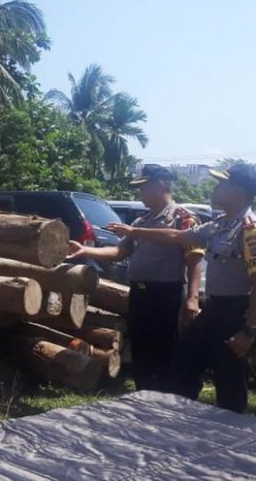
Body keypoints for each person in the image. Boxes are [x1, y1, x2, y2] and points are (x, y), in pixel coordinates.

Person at [108, 164, 256, 413]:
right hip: (213, 309)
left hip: (237, 314)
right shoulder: (219, 225)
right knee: (182, 369)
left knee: (229, 384)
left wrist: (248, 332)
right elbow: (176, 237)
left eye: (222, 183)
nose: (215, 188)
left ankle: (227, 438)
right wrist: (134, 231)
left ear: (238, 190)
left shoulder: (252, 230)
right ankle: (179, 426)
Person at [68, 165, 204, 391]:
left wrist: (192, 297)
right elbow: (119, 252)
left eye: (144, 187)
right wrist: (84, 250)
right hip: (140, 293)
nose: (140, 194)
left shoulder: (183, 219)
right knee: (141, 346)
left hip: (166, 294)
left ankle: (166, 397)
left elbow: (195, 261)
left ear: (160, 185)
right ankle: (144, 392)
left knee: (166, 347)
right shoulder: (141, 221)